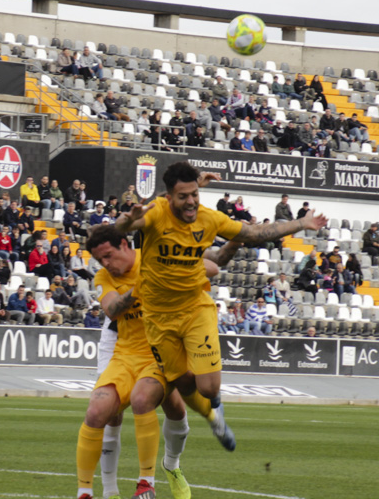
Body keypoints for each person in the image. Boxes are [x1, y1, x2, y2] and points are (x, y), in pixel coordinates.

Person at [115, 161, 327, 455]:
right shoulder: (155, 215)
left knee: (208, 387)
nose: (191, 201)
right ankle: (213, 417)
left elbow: (253, 234)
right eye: (183, 196)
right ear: (168, 198)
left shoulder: (210, 218)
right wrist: (127, 222)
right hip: (157, 316)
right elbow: (123, 227)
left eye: (194, 194)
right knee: (183, 382)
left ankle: (215, 407)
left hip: (194, 309)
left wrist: (301, 224)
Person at [73, 225, 239, 499]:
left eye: (109, 257)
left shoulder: (156, 257)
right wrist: (145, 285)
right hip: (120, 343)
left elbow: (210, 268)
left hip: (164, 340)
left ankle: (174, 463)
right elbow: (112, 309)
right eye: (101, 261)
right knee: (108, 412)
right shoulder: (106, 276)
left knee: (179, 398)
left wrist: (181, 266)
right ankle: (109, 493)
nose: (107, 265)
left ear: (126, 245)